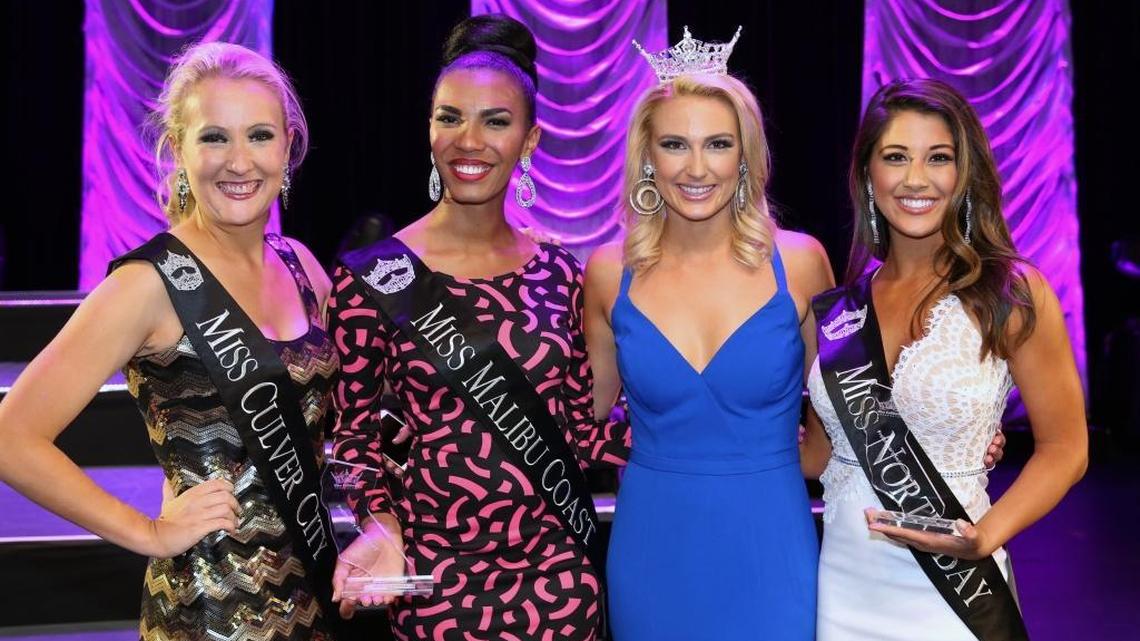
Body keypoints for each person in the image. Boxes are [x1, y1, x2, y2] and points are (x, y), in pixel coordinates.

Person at [0, 42, 342, 640]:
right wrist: (147, 532)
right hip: (210, 612)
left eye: (259, 135)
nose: (239, 161)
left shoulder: (301, 267)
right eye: (214, 137)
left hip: (316, 596)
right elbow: (10, 437)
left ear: (288, 146)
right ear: (177, 148)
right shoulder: (149, 284)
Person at [328, 14, 627, 641]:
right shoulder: (372, 277)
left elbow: (581, 430)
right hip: (436, 588)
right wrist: (381, 528)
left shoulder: (561, 275)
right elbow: (353, 439)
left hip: (559, 585)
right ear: (429, 129)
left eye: (496, 121)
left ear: (530, 139)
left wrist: (710, 436)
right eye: (450, 117)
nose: (470, 140)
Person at [802, 78, 1088, 640]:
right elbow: (815, 456)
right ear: (867, 175)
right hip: (845, 586)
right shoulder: (842, 308)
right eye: (895, 158)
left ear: (965, 173)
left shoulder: (1010, 293)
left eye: (939, 158)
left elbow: (1067, 449)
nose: (915, 179)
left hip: (956, 590)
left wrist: (984, 536)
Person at [583, 28, 835, 640]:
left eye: (718, 144)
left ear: (745, 156)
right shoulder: (607, 272)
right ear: (647, 157)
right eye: (675, 144)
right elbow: (583, 413)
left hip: (770, 540)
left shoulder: (799, 263)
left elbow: (845, 405)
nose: (697, 168)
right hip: (652, 544)